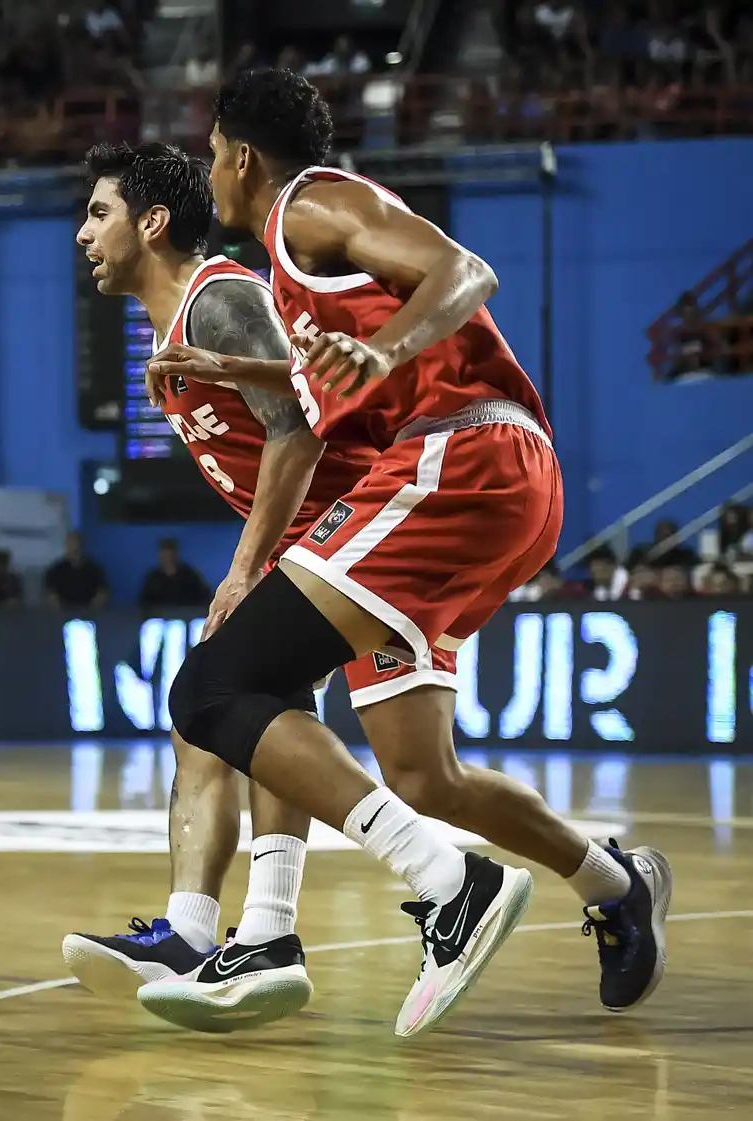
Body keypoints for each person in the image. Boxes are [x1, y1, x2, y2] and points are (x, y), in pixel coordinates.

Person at [65, 139, 652, 1036]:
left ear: (151, 221)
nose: (82, 233)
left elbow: (304, 427)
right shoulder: (186, 329)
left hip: (388, 517)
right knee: (422, 774)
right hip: (367, 528)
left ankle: (264, 923)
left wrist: (248, 562)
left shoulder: (218, 295)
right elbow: (302, 386)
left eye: (97, 212)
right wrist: (237, 382)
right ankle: (616, 882)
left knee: (217, 698)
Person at [43, 530, 109, 609]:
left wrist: (92, 610)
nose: (71, 547)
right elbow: (51, 594)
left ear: (81, 546)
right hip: (63, 614)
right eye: (69, 544)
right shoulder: (56, 570)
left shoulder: (94, 569)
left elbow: (102, 591)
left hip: (88, 614)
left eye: (74, 544)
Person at [138, 537, 211, 608]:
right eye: (165, 555)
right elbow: (144, 603)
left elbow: (203, 597)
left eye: (170, 555)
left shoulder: (190, 575)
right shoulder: (152, 578)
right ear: (160, 556)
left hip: (187, 615)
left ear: (176, 555)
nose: (168, 558)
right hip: (159, 617)